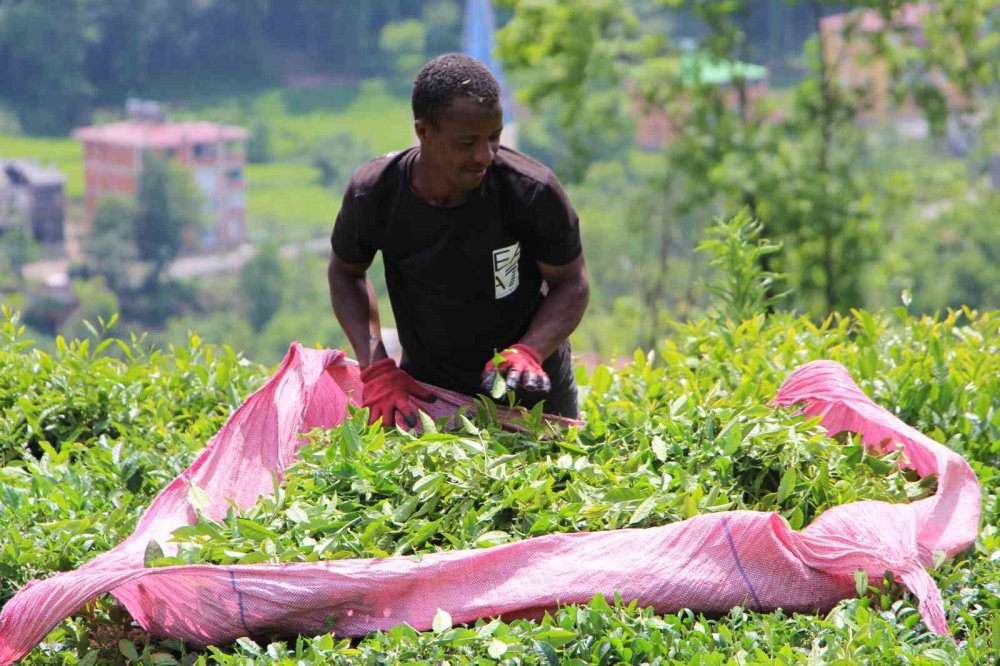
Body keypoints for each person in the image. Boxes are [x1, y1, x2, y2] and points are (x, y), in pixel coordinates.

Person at [327, 53, 589, 428]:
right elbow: (345, 273)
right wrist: (376, 368)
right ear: (424, 132)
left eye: (494, 137)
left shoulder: (531, 191)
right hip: (429, 390)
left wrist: (530, 350)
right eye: (467, 142)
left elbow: (572, 281)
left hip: (528, 390)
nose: (484, 155)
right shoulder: (374, 194)